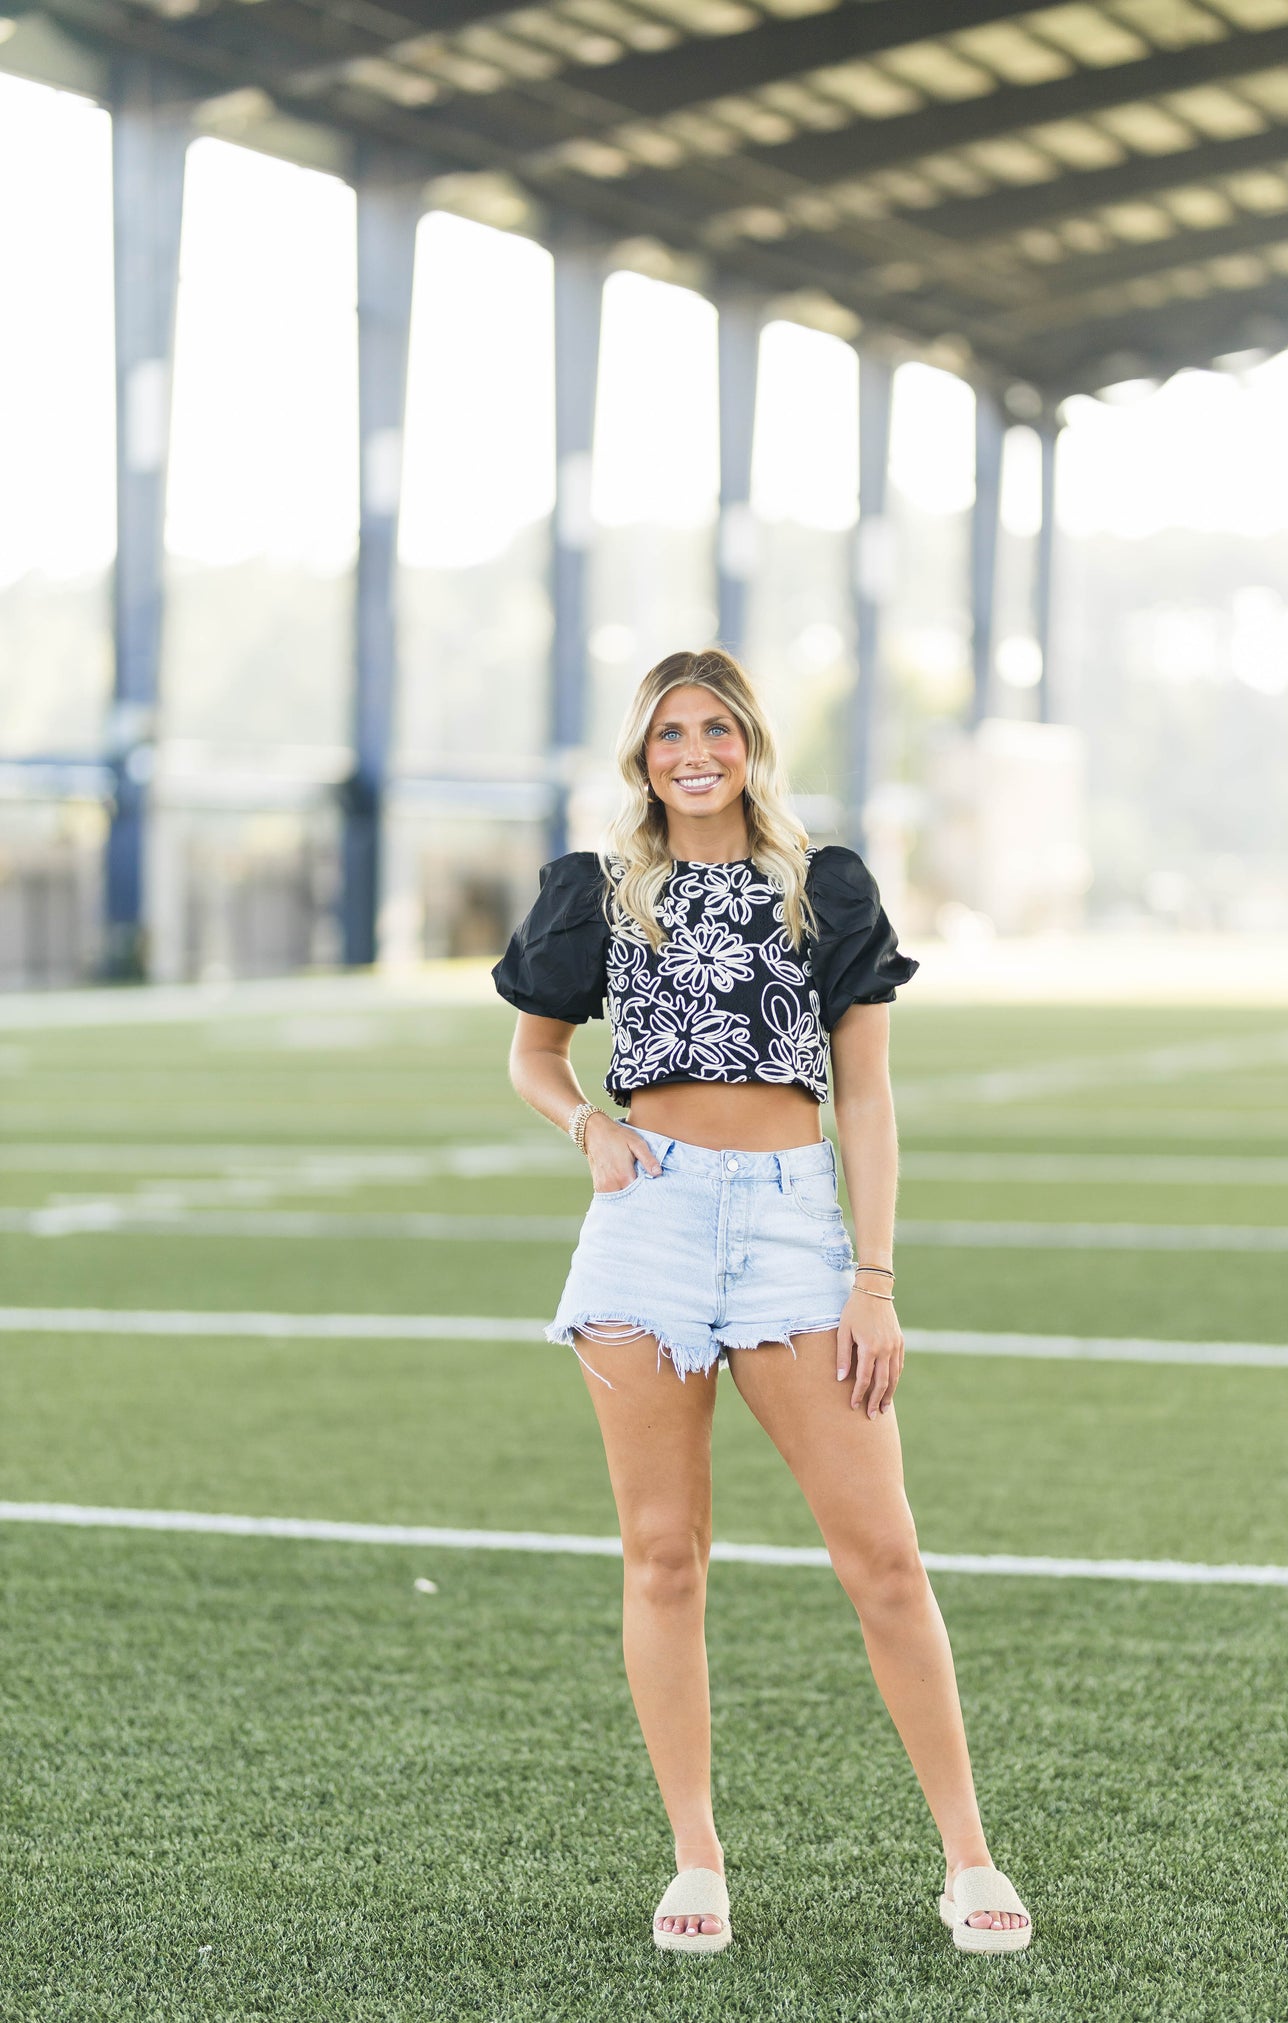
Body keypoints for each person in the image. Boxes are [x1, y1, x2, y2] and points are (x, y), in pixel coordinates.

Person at [491, 648, 1031, 1958]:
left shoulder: (822, 883)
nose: (693, 751)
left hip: (791, 1228)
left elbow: (865, 1097)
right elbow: (529, 1052)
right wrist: (587, 1129)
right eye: (669, 731)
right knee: (663, 1556)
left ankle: (967, 1857)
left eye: (715, 729)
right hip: (648, 1223)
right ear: (642, 751)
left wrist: (874, 1280)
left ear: (749, 744)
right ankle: (695, 1856)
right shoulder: (598, 890)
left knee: (884, 1560)